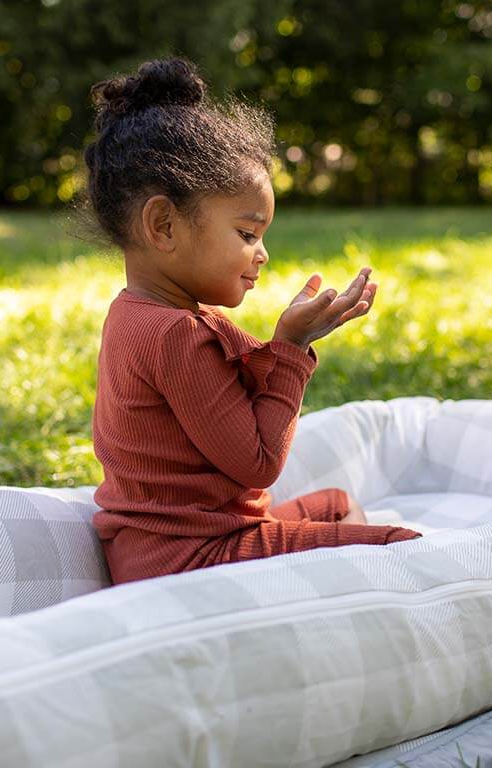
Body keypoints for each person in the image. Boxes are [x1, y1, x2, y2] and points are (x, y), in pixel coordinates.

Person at [75, 56, 422, 585]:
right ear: (163, 225)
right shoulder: (174, 334)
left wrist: (289, 344)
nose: (261, 254)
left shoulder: (136, 315)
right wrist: (291, 346)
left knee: (337, 503)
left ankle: (324, 601)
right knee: (402, 548)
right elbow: (258, 462)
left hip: (170, 547)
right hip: (190, 560)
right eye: (246, 234)